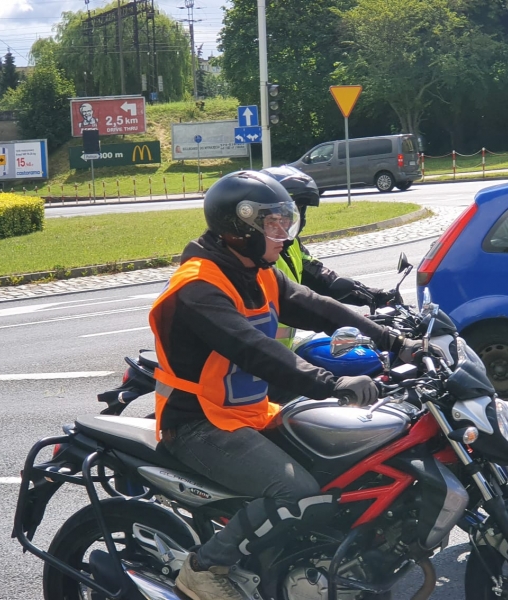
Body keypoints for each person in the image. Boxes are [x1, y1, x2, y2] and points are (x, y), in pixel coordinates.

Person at [148, 170, 419, 600]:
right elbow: (254, 349)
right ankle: (204, 568)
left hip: (251, 413)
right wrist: (333, 383)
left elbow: (319, 308)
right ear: (239, 228)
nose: (284, 233)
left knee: (343, 465)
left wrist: (397, 343)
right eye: (272, 223)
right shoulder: (198, 285)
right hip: (199, 424)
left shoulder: (256, 271)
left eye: (284, 220)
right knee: (294, 492)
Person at [260, 165, 396, 348]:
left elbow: (320, 277)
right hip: (258, 358)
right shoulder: (257, 258)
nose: (295, 217)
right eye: (289, 211)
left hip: (280, 353)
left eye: (300, 209)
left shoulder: (291, 246)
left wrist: (371, 294)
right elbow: (312, 309)